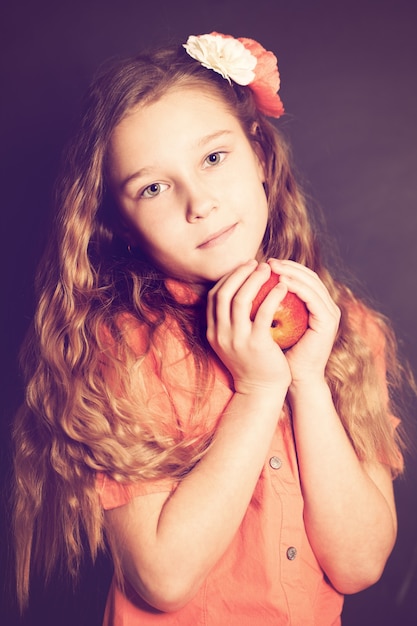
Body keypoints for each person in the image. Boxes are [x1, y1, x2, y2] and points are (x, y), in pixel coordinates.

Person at [12, 32, 411, 625]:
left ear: (259, 156)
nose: (198, 202)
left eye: (214, 158)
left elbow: (358, 565)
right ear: (121, 226)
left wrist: (305, 383)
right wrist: (257, 390)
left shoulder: (348, 330)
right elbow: (164, 579)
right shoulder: (121, 350)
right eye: (153, 187)